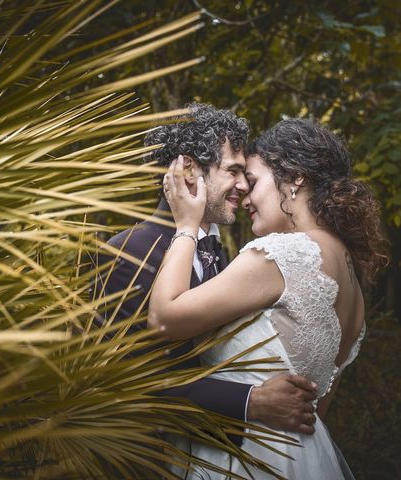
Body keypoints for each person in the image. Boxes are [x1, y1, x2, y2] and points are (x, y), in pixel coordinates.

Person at [150, 117, 388, 479]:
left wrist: (185, 226)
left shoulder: (282, 255)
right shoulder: (351, 279)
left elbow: (165, 318)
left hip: (246, 459)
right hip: (305, 459)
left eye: (255, 180)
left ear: (295, 180)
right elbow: (312, 412)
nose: (244, 192)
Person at [94, 104, 319, 456]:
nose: (243, 185)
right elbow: (127, 382)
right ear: (188, 170)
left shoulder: (222, 254)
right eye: (233, 171)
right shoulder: (125, 252)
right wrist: (251, 402)